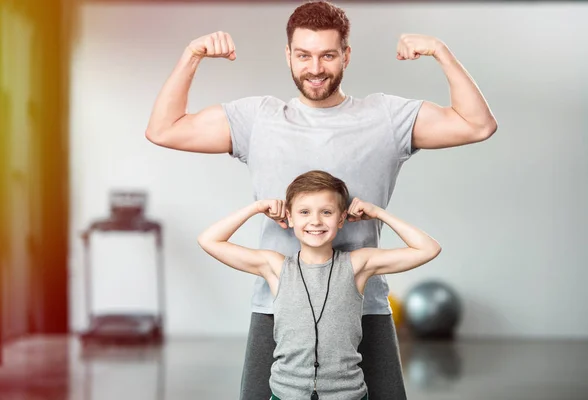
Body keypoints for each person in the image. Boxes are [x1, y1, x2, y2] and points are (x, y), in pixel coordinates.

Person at [145, 1, 497, 398]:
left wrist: (440, 52)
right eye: (304, 55)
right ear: (288, 56)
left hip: (364, 307)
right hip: (277, 308)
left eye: (328, 55)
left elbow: (478, 125)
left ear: (346, 55)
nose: (315, 68)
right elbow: (164, 130)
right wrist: (192, 55)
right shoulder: (258, 119)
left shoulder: (384, 117)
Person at [197, 170, 441, 400]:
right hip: (286, 394)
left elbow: (429, 249)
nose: (315, 221)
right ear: (289, 218)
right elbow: (209, 240)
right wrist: (257, 207)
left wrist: (378, 213)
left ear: (342, 218)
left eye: (326, 212)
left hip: (347, 394)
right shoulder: (276, 267)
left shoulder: (358, 265)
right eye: (304, 212)